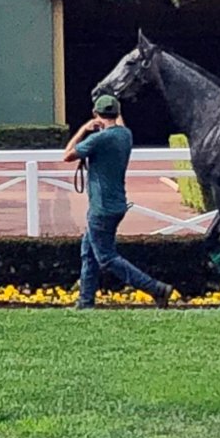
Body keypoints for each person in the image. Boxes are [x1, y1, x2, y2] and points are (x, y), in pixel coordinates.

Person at [62, 94, 176, 309]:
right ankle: (85, 302)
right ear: (116, 113)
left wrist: (84, 130)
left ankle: (156, 288)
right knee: (88, 253)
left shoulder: (98, 139)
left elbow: (67, 155)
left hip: (101, 208)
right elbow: (119, 123)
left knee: (106, 258)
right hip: (117, 204)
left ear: (96, 114)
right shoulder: (126, 135)